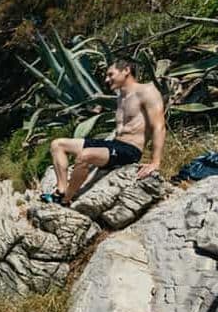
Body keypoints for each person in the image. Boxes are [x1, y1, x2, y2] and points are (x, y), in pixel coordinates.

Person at [41, 59, 166, 206]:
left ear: (126, 70)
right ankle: (60, 191)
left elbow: (159, 126)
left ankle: (65, 199)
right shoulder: (121, 97)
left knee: (85, 155)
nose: (107, 80)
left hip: (130, 150)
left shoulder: (147, 91)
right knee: (58, 145)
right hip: (114, 144)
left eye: (110, 74)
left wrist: (155, 162)